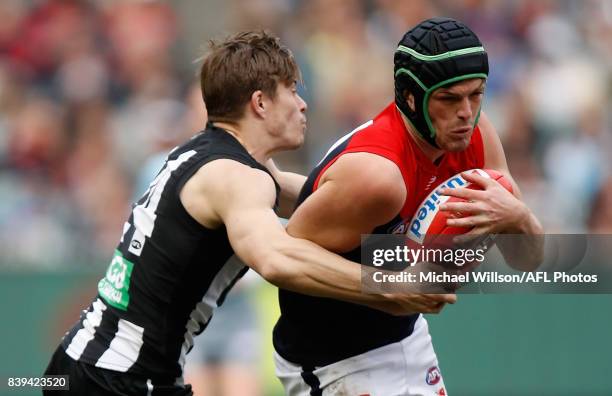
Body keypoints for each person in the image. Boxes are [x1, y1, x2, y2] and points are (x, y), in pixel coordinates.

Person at [43, 31, 455, 396]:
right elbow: (277, 258)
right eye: (293, 90)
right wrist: (390, 286)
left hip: (92, 366)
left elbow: (317, 196)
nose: (303, 104)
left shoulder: (213, 157)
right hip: (121, 378)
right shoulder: (236, 177)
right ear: (260, 102)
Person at [272, 17, 544, 396]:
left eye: (476, 94)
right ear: (411, 97)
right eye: (449, 99)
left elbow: (528, 260)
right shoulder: (377, 177)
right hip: (333, 360)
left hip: (408, 339)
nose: (467, 112)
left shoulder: (477, 139)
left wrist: (519, 218)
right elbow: (284, 259)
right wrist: (389, 286)